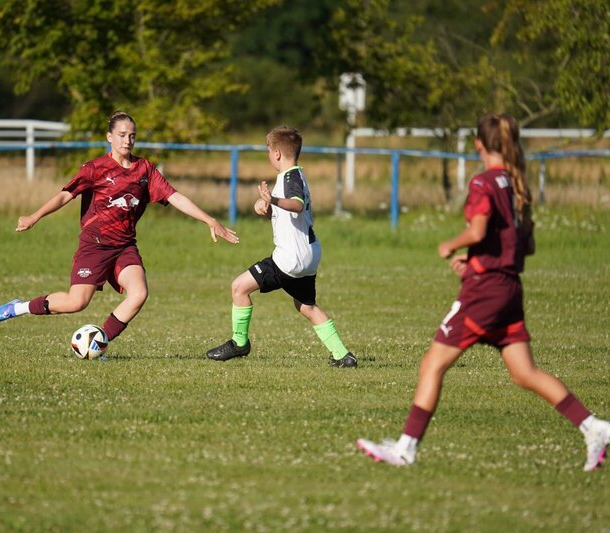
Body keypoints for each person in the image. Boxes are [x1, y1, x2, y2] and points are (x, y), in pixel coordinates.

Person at [357, 113, 609, 471]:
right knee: (525, 374)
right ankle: (593, 427)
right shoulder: (518, 185)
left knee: (432, 363)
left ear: (478, 144)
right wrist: (475, 259)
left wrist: (451, 245)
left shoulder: (483, 184)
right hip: (508, 287)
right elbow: (526, 245)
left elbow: (477, 231)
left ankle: (406, 448)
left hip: (486, 291)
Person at [0, 111, 239, 343]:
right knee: (76, 303)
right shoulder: (95, 168)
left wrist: (210, 219)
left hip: (125, 246)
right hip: (94, 246)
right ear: (109, 137)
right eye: (122, 135)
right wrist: (34, 217)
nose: (127, 140)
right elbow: (65, 195)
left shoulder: (144, 169)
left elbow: (174, 197)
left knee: (138, 294)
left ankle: (98, 342)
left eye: (132, 136)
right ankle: (17, 308)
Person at [205, 126, 357, 368]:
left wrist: (272, 200)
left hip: (290, 258)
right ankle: (342, 354)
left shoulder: (290, 178)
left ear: (276, 153)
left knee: (239, 288)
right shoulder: (296, 176)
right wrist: (268, 209)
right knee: (306, 306)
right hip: (307, 254)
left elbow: (296, 205)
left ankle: (239, 343)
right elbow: (290, 213)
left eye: (268, 151)